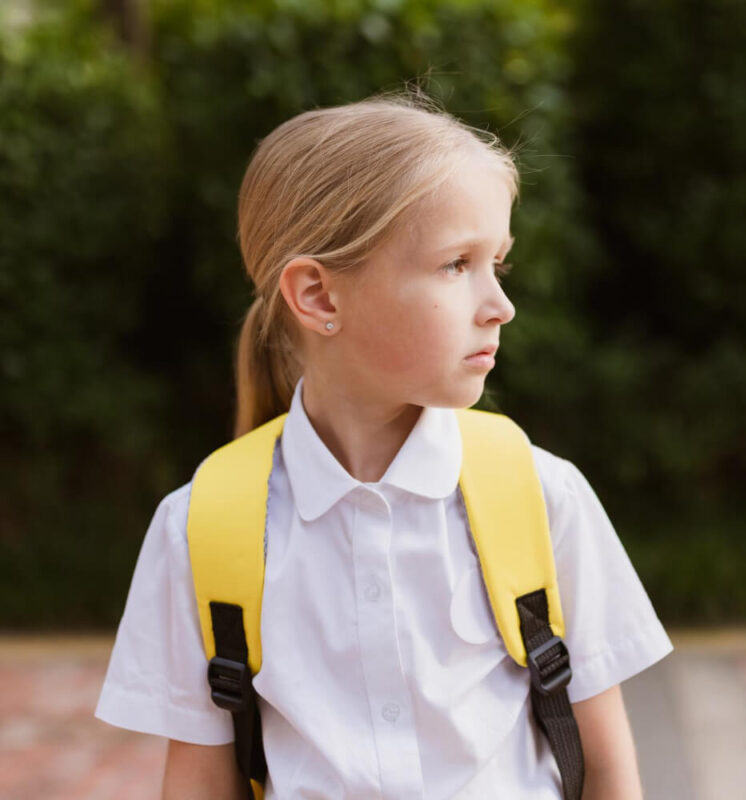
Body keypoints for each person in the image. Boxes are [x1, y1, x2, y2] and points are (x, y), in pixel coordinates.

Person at [94, 90, 674, 799]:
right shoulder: (198, 530)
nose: (501, 305)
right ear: (319, 297)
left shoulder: (542, 497)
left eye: (497, 263)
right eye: (457, 264)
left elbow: (608, 771)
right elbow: (199, 785)